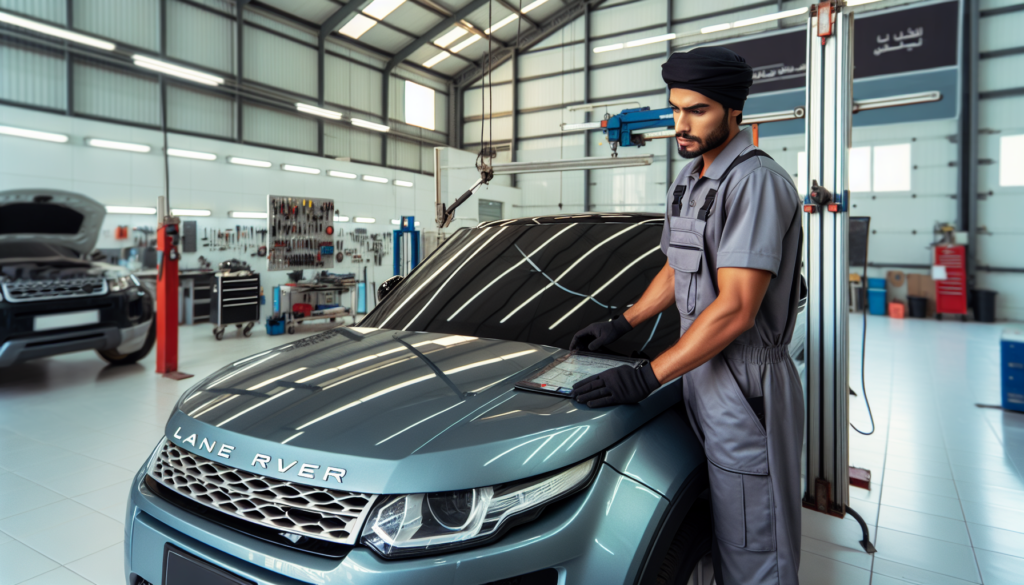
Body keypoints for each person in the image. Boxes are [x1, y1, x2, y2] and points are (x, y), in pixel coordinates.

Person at [569, 46, 804, 585]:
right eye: (675, 109)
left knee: (754, 541)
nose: (681, 124)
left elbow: (738, 309)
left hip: (744, 381)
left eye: (696, 110)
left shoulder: (756, 182)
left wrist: (646, 375)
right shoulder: (690, 180)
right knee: (721, 522)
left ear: (733, 110)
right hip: (698, 370)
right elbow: (678, 268)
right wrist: (623, 324)